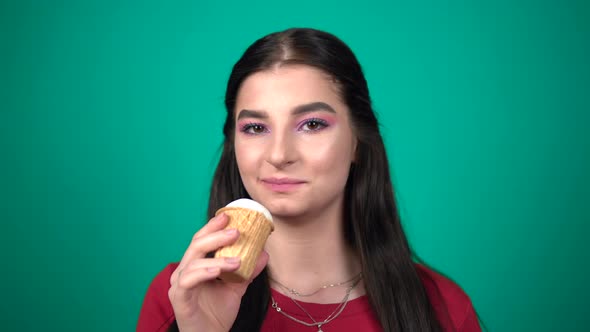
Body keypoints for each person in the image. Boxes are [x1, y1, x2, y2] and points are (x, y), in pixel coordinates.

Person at [137, 27, 482, 332]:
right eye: (255, 128)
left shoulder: (444, 307)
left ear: (358, 142)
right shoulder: (181, 297)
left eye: (312, 124)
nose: (279, 154)